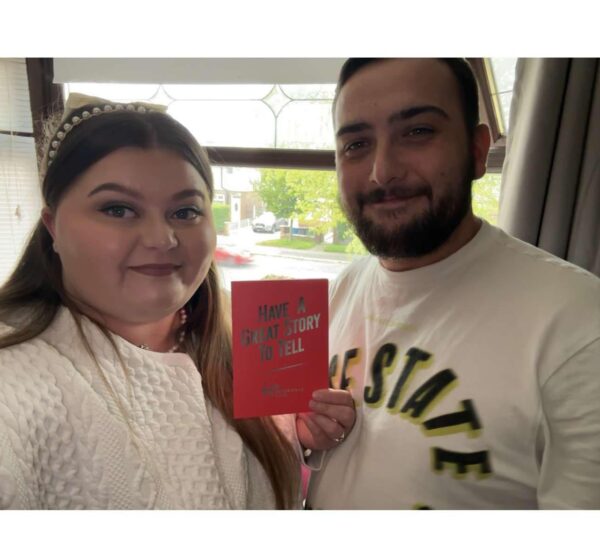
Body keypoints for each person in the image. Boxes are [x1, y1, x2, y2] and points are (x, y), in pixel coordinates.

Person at [0, 93, 355, 510]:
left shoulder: (242, 342)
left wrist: (296, 438)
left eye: (185, 212)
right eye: (118, 209)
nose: (161, 239)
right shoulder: (17, 378)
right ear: (53, 226)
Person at [306, 58, 600, 509]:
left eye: (418, 131)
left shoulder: (577, 323)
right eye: (356, 144)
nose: (382, 171)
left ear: (477, 151)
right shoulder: (340, 291)